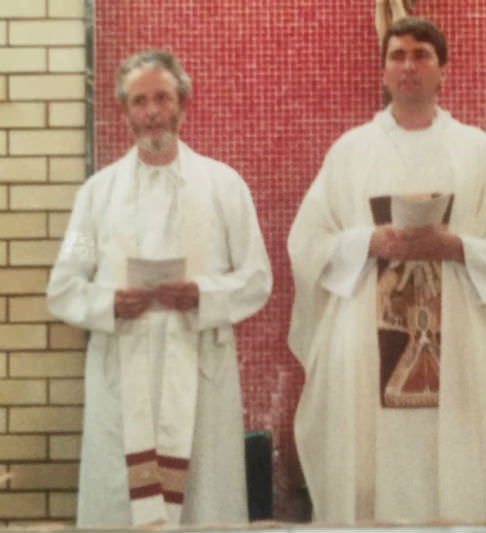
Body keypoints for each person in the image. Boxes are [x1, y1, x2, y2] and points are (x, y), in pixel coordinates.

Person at [288, 16, 486, 523]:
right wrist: (369, 241)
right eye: (398, 56)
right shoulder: (351, 150)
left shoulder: (476, 149)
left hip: (460, 342)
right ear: (384, 70)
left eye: (421, 56)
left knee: (454, 469)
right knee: (369, 464)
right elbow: (306, 244)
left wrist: (457, 247)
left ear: (442, 71)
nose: (409, 66)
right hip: (366, 337)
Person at [46, 50, 272, 528]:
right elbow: (64, 286)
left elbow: (257, 278)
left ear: (182, 104)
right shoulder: (95, 195)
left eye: (161, 98)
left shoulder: (224, 186)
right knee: (120, 504)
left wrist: (202, 296)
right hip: (124, 372)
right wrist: (108, 303)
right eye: (139, 101)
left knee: (202, 501)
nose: (151, 111)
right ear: (124, 111)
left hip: (198, 366)